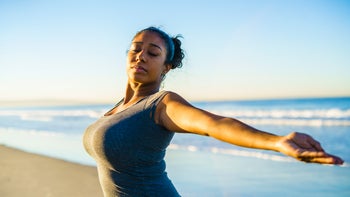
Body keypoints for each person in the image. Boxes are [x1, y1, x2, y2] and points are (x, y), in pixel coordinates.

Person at [83, 26, 344, 197]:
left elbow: (213, 124)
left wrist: (276, 142)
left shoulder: (162, 104)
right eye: (136, 48)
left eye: (153, 52)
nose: (141, 56)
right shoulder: (119, 107)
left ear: (166, 67)